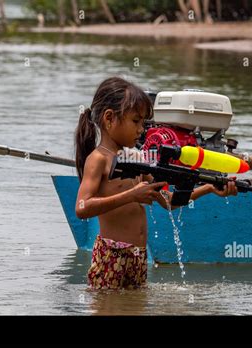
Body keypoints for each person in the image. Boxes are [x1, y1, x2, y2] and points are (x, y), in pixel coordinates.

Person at [74, 77, 237, 290]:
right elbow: (82, 208)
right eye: (136, 121)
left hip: (138, 256)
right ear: (109, 118)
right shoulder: (98, 159)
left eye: (143, 123)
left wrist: (208, 188)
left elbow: (168, 201)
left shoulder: (136, 158)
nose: (142, 129)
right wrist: (131, 196)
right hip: (111, 255)